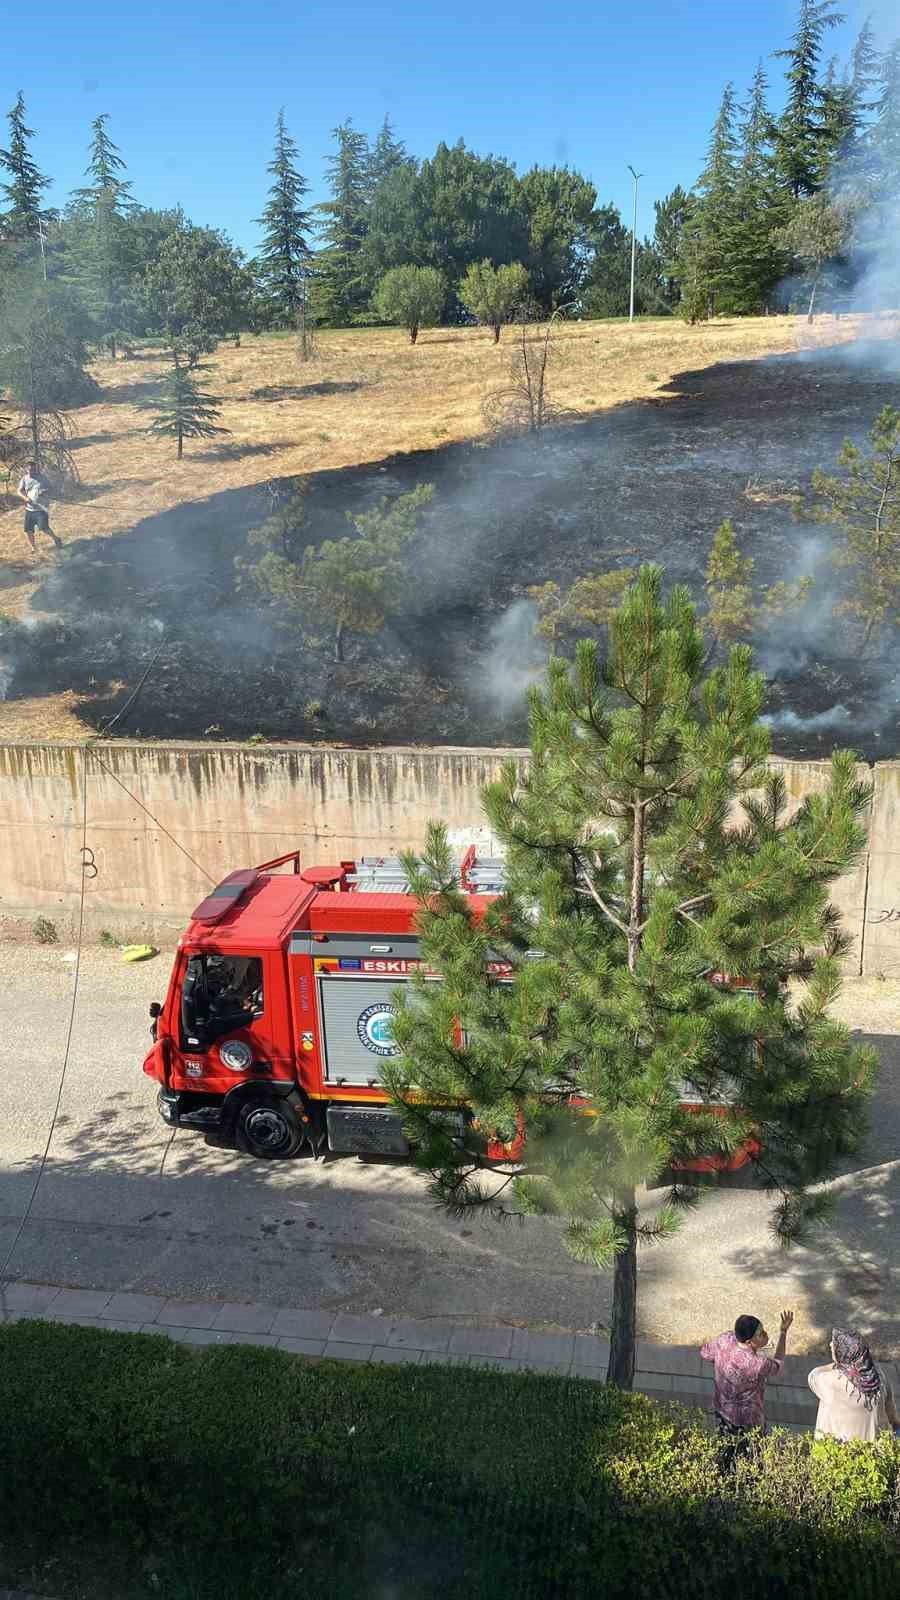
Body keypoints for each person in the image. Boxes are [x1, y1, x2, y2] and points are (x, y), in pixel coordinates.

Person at [700, 1309, 793, 1462]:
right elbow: (778, 1365)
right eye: (761, 1333)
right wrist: (783, 1332)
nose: (766, 1334)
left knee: (726, 1452)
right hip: (748, 1421)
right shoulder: (757, 1363)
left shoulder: (725, 1339)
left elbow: (705, 1353)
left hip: (722, 1411)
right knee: (751, 1459)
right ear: (749, 1342)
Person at [808, 1328, 900, 1443]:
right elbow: (893, 1417)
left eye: (835, 1344)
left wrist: (837, 1363)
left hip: (835, 1454)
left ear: (842, 1354)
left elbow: (813, 1375)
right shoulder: (879, 1376)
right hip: (875, 1454)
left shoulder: (830, 1381)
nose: (831, 1344)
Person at [17, 461, 61, 554]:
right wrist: (25, 498)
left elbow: (51, 488)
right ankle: (33, 548)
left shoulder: (42, 478)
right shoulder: (24, 479)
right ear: (26, 469)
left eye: (34, 469)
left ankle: (56, 538)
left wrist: (44, 491)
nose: (32, 471)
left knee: (44, 528)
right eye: (30, 469)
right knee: (28, 530)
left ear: (36, 468)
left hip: (41, 508)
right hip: (29, 509)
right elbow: (19, 491)